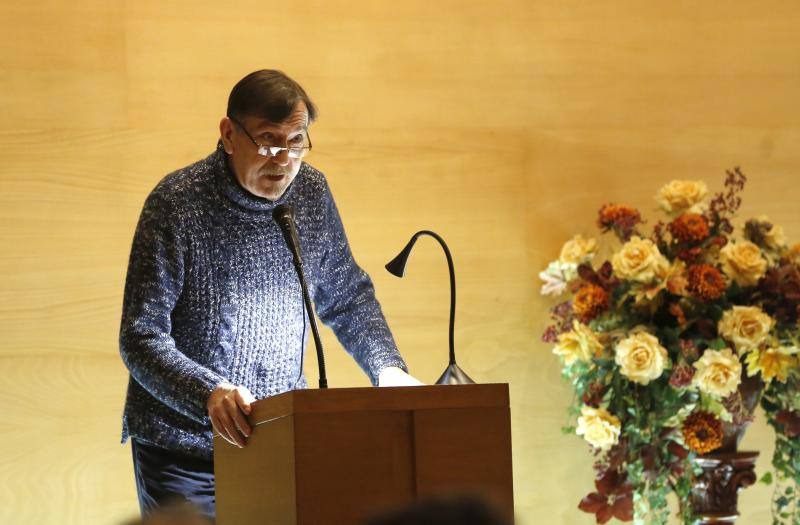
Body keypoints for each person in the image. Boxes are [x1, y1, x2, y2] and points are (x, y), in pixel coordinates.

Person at [119, 69, 422, 519]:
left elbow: (346, 295)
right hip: (181, 449)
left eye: (296, 141)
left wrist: (387, 368)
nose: (282, 159)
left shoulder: (310, 194)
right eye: (267, 139)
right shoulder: (177, 202)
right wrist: (208, 391)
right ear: (228, 134)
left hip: (279, 440)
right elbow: (140, 337)